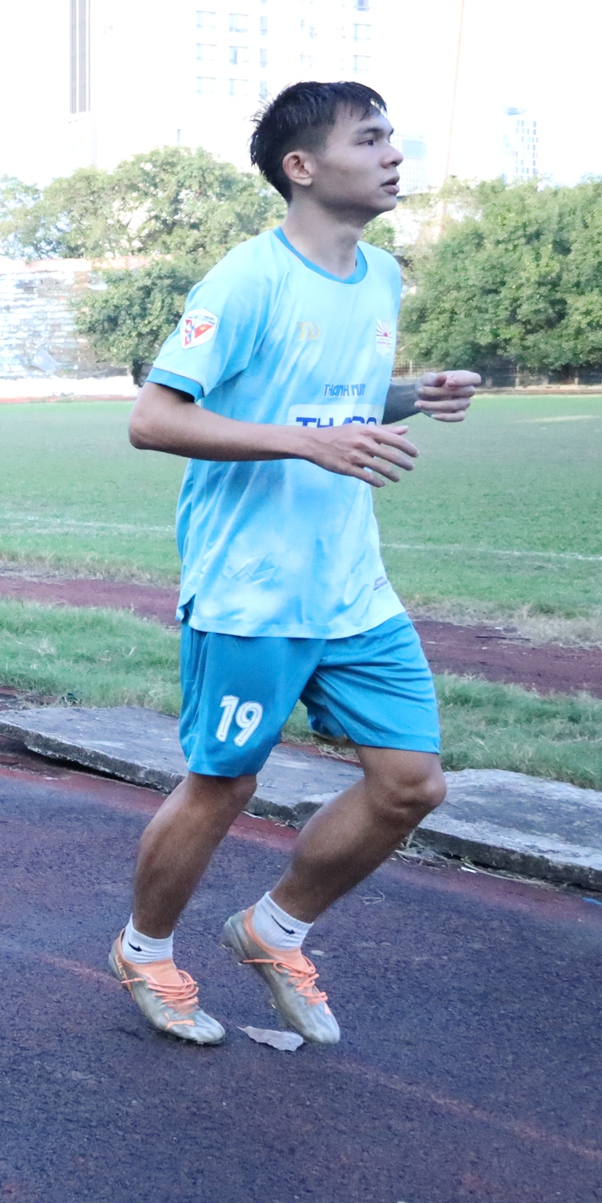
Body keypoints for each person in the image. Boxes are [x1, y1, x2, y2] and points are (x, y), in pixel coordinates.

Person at [107, 81, 480, 1048]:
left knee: (411, 783)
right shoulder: (245, 279)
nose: (394, 153)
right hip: (251, 588)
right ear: (303, 167)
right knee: (224, 783)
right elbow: (154, 418)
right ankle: (146, 949)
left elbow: (336, 403)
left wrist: (408, 396)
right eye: (371, 138)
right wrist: (305, 444)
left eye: (394, 135)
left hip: (354, 586)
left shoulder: (385, 274)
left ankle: (274, 929)